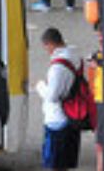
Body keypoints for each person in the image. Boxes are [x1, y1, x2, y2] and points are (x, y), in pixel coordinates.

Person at [36, 28, 80, 170]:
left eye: (46, 47)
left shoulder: (57, 68)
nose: (47, 51)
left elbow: (52, 96)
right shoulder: (74, 56)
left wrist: (40, 86)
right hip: (72, 117)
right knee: (65, 163)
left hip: (57, 120)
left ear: (50, 44)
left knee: (53, 164)